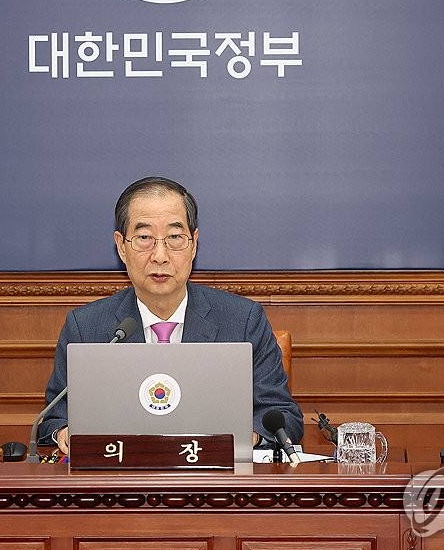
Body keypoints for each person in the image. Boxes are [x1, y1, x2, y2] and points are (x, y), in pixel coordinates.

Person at [40, 176, 303, 453]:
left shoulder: (243, 321)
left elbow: (283, 417)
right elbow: (53, 420)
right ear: (121, 246)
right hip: (122, 487)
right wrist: (63, 433)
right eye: (144, 238)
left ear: (194, 244)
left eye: (175, 237)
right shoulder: (85, 327)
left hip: (213, 488)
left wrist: (246, 439)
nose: (160, 256)